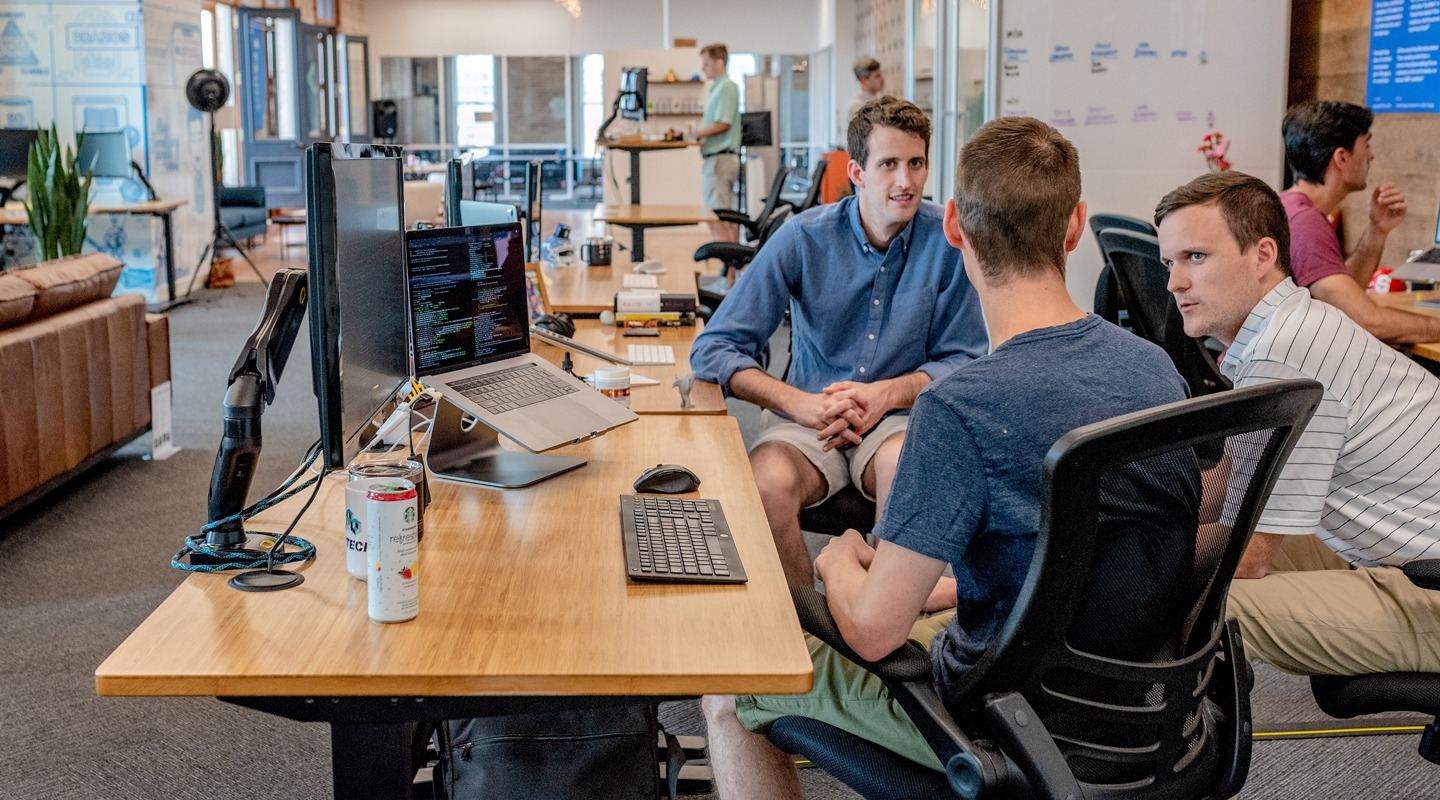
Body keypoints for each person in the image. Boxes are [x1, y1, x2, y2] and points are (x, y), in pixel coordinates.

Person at [700, 117, 1191, 798]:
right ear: (1075, 226)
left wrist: (839, 561)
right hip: (1145, 710)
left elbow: (872, 634)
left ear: (954, 224)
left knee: (728, 688)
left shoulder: (960, 409)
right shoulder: (1157, 370)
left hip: (1000, 720)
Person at [690, 96, 987, 588]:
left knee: (906, 474)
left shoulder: (949, 242)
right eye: (888, 164)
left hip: (897, 420)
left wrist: (887, 394)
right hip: (809, 417)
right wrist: (797, 403)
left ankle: (878, 625)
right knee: (764, 486)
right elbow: (714, 348)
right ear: (857, 172)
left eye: (916, 164)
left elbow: (968, 360)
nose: (905, 181)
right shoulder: (803, 238)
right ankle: (808, 627)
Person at [1155, 170, 1440, 676]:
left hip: (1427, 590)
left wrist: (1095, 563)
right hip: (1402, 559)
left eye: (1196, 257)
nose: (1175, 282)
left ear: (1263, 256)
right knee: (1166, 552)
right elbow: (1236, 483)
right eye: (1169, 262)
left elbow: (1248, 556)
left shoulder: (1285, 352)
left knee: (1204, 600)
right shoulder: (1286, 329)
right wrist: (1123, 522)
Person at [1280, 100, 1440, 343]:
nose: (1371, 156)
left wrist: (1377, 231)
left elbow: (1342, 298)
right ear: (1341, 157)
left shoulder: (1291, 206)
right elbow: (1366, 320)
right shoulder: (1305, 223)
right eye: (1366, 145)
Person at [695, 43, 742, 243]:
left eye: (706, 64)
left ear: (719, 62)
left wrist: (696, 133)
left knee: (718, 218)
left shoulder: (726, 87)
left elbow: (724, 124)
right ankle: (731, 270)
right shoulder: (717, 89)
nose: (703, 68)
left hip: (720, 160)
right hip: (716, 159)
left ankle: (729, 272)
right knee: (722, 217)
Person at [846, 56, 885, 122]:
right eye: (877, 76)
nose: (882, 78)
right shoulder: (856, 106)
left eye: (881, 74)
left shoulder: (881, 98)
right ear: (863, 80)